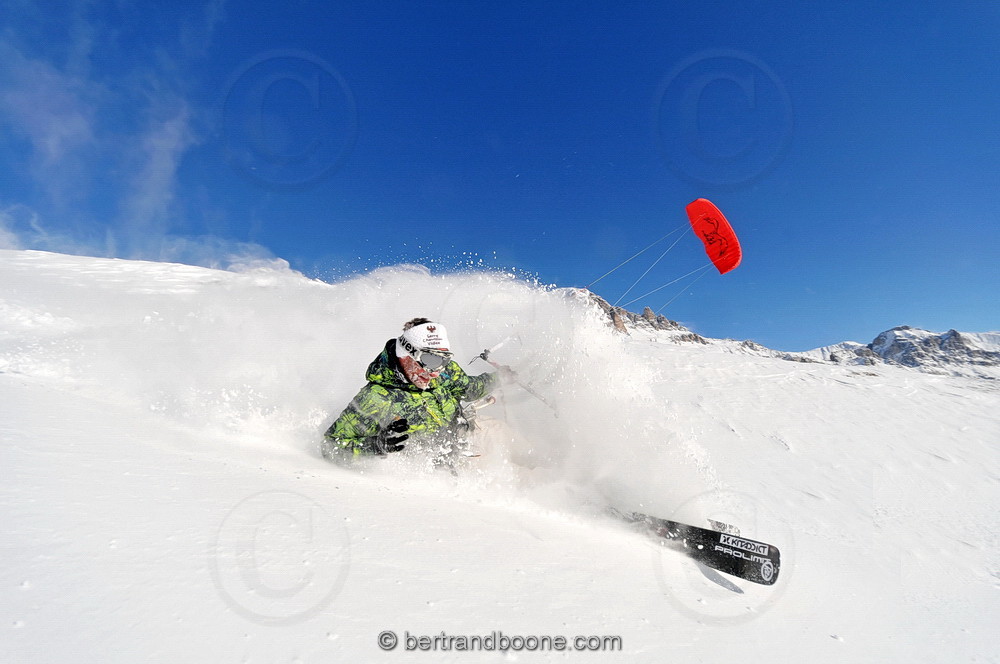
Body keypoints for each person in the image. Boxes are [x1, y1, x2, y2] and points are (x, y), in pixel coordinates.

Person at [322, 317, 503, 459]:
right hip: (438, 470)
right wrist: (376, 445)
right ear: (406, 354)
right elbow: (330, 447)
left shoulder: (443, 371)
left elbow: (470, 388)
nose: (436, 372)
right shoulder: (377, 398)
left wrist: (501, 377)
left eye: (444, 359)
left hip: (466, 439)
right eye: (431, 360)